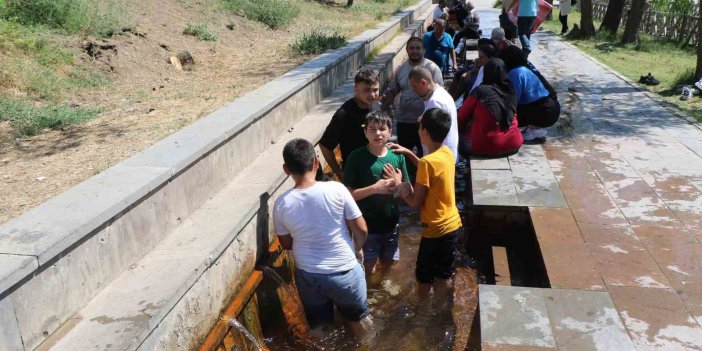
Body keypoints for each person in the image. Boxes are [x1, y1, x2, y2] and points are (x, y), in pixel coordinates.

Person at [273, 138, 374, 341]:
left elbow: (286, 244)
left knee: (321, 330)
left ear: (286, 169)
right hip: (345, 272)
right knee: (361, 324)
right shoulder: (337, 189)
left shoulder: (281, 204)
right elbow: (361, 228)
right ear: (316, 163)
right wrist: (357, 248)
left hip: (309, 277)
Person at [393, 108, 463, 308]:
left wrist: (401, 185)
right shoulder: (446, 153)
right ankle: (443, 306)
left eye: (420, 125)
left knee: (424, 278)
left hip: (435, 230)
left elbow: (415, 203)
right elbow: (430, 169)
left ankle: (423, 311)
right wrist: (408, 153)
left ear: (424, 131)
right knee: (444, 273)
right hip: (452, 226)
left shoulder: (426, 163)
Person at [343, 112, 409, 280]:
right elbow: (346, 196)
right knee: (369, 269)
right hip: (366, 227)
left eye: (382, 129)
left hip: (392, 224)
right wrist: (374, 188)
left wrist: (399, 183)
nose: (377, 133)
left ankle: (383, 291)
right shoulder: (356, 157)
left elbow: (409, 192)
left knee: (389, 263)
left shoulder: (397, 155)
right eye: (372, 129)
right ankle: (370, 295)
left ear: (390, 131)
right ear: (365, 133)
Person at [382, 37, 443, 164]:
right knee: (403, 157)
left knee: (425, 158)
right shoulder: (401, 69)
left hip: (425, 123)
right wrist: (381, 109)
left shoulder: (432, 68)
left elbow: (440, 93)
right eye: (412, 48)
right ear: (407, 50)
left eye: (418, 48)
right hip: (404, 121)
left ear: (423, 50)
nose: (415, 51)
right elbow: (393, 91)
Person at [320, 68, 380, 181]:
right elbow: (325, 146)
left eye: (375, 90)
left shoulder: (375, 106)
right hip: (355, 174)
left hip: (376, 169)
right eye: (367, 90)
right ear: (356, 89)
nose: (372, 94)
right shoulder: (343, 115)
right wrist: (339, 172)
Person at [457, 58, 523, 157]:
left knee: (456, 138)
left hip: (485, 146)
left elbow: (461, 118)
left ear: (486, 73)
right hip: (513, 143)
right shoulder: (510, 90)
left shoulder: (480, 91)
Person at [499, 46, 560, 142]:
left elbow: (513, 100)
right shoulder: (526, 66)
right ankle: (534, 127)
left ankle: (534, 128)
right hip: (552, 107)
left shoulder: (515, 73)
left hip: (544, 111)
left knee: (505, 113)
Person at [408, 65, 458, 162]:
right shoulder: (442, 93)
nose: (414, 90)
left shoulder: (435, 102)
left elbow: (433, 135)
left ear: (423, 82)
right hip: (446, 155)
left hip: (438, 159)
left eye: (415, 87)